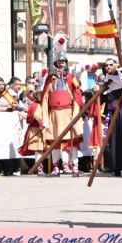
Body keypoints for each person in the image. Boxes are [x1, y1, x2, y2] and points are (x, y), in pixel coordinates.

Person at [41, 33, 84, 177]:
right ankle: (56, 167)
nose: (61, 64)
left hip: (68, 112)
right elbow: (45, 99)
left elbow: (77, 97)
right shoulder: (50, 79)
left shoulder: (71, 78)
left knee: (72, 142)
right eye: (58, 62)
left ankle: (73, 166)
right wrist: (45, 119)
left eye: (63, 62)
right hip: (54, 114)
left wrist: (75, 115)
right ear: (55, 64)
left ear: (66, 63)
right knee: (55, 142)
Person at [18, 72, 47, 176]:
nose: (41, 96)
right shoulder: (35, 105)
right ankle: (38, 167)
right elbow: (36, 115)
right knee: (38, 150)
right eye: (39, 94)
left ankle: (40, 167)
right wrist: (43, 122)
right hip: (36, 129)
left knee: (42, 150)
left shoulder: (44, 104)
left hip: (43, 130)